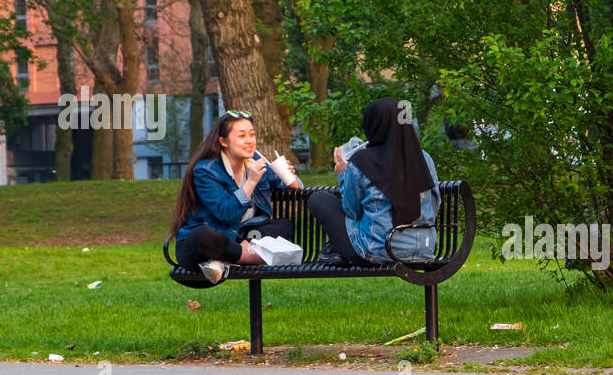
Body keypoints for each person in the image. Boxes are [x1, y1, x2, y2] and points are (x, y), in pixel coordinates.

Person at [170, 110, 301, 283]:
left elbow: (287, 185)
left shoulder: (254, 160)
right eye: (242, 136)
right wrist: (250, 183)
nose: (249, 141)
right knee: (201, 236)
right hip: (209, 243)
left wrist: (290, 178)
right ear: (223, 141)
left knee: (283, 226)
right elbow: (225, 213)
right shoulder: (206, 171)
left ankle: (225, 261)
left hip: (240, 238)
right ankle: (248, 257)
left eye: (252, 134)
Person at [309, 97, 440, 265]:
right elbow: (434, 203)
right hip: (425, 248)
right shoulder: (425, 159)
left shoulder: (361, 161)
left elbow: (352, 211)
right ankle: (335, 249)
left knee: (319, 199)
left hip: (379, 251)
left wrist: (343, 173)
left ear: (374, 125)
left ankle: (335, 249)